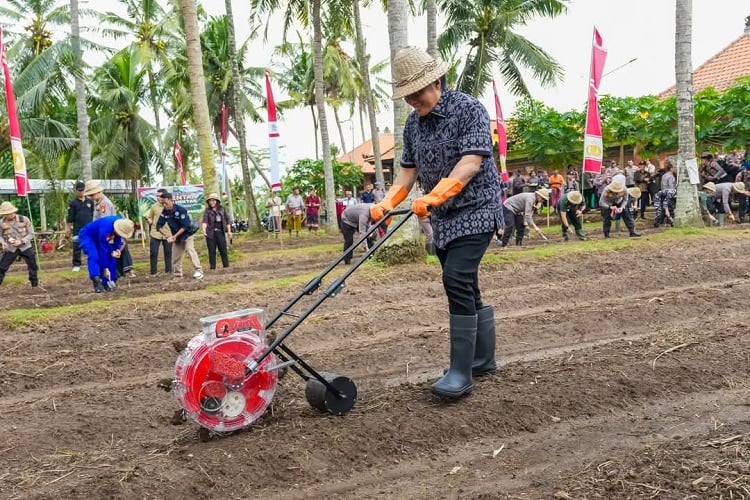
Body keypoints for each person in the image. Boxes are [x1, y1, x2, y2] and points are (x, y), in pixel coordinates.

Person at [369, 47, 504, 399]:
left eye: (418, 91)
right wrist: (388, 201)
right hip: (443, 217)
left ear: (437, 82)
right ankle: (482, 359)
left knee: (455, 277)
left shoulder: (468, 109)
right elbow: (408, 172)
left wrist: (437, 194)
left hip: (477, 209)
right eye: (408, 95)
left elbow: (471, 163)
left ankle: (461, 372)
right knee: (466, 284)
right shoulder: (413, 123)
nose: (413, 99)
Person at [84, 180, 136, 278]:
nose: (91, 197)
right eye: (90, 195)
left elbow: (105, 222)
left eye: (92, 195)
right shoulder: (98, 203)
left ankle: (114, 274)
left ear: (99, 192)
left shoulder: (104, 204)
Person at [78, 215, 134, 293]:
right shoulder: (106, 228)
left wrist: (117, 250)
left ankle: (108, 281)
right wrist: (105, 268)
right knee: (94, 255)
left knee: (111, 255)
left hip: (99, 237)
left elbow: (118, 238)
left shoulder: (121, 224)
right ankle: (97, 281)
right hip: (88, 236)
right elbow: (103, 250)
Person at [157, 192, 203, 279]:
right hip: (176, 238)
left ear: (171, 200)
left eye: (166, 203)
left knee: (190, 250)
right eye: (162, 203)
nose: (164, 205)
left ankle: (199, 270)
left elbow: (185, 226)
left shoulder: (180, 210)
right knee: (176, 256)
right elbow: (158, 225)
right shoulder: (164, 212)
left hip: (186, 235)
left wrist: (175, 236)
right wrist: (167, 235)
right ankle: (178, 275)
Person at [0, 201, 38, 289]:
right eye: (5, 214)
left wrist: (22, 241)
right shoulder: (1, 223)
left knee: (33, 266)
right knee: (2, 267)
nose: (8, 215)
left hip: (25, 247)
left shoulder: (24, 219)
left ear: (13, 212)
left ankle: (34, 285)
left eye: (9, 213)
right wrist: (2, 242)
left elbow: (31, 233)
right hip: (11, 248)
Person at [66, 180, 94, 272]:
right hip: (78, 229)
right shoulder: (73, 203)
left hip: (89, 228)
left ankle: (92, 262)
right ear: (76, 191)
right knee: (77, 247)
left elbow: (93, 214)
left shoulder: (90, 202)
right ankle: (76, 264)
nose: (81, 192)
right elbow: (70, 218)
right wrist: (68, 229)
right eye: (79, 190)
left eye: (82, 190)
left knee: (90, 246)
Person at [201, 192, 232, 270]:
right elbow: (205, 222)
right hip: (211, 233)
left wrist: (229, 231)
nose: (212, 202)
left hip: (220, 232)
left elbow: (227, 220)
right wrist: (204, 230)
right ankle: (212, 267)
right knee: (211, 251)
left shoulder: (222, 209)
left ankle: (226, 266)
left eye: (213, 200)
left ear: (217, 201)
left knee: (223, 249)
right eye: (210, 201)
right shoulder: (207, 211)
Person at [145, 189, 172, 275]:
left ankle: (168, 271)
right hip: (155, 232)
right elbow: (150, 217)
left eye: (160, 196)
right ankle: (153, 272)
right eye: (157, 196)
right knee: (153, 252)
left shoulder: (170, 206)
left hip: (167, 233)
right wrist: (149, 220)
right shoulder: (154, 207)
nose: (158, 198)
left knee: (168, 252)